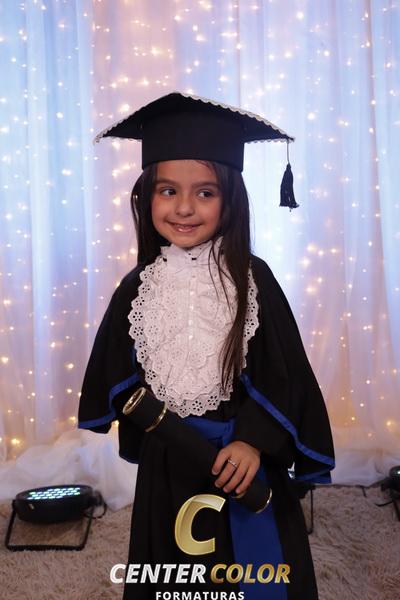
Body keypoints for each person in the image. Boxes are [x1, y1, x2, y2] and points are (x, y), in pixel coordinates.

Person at [78, 92, 335, 600]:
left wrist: (253, 441)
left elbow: (282, 372)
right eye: (168, 191)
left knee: (251, 571)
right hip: (170, 459)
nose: (184, 207)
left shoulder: (253, 281)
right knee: (174, 570)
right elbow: (117, 369)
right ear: (146, 197)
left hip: (240, 458)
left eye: (205, 192)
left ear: (231, 200)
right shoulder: (139, 288)